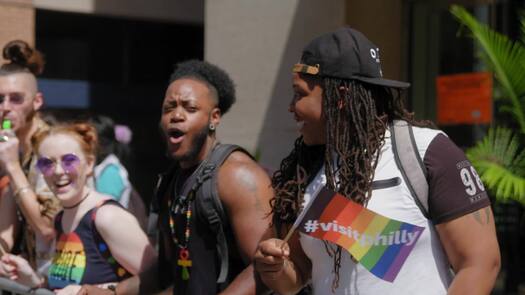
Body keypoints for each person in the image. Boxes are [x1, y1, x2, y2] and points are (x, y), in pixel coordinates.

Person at [254, 27, 501, 294]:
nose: (292, 107)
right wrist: (276, 268)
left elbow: (480, 263)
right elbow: (299, 274)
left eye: (300, 94)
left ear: (340, 97)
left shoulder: (424, 150)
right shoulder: (306, 170)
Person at [79, 59, 274, 295]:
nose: (176, 115)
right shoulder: (171, 182)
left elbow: (265, 270)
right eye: (168, 108)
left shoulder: (238, 176)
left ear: (214, 118)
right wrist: (113, 293)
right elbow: (169, 275)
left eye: (189, 108)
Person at [0, 122, 156, 294]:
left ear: (89, 164)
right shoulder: (61, 218)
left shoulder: (106, 217)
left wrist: (101, 291)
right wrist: (33, 279)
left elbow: (158, 280)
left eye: (69, 161)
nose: (58, 171)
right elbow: (66, 287)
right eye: (47, 163)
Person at [0, 40, 59, 275]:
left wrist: (12, 166)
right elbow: (7, 230)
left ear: (37, 101)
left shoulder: (52, 147)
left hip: (67, 279)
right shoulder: (16, 149)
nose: (5, 107)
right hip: (34, 277)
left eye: (16, 99)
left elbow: (47, 227)